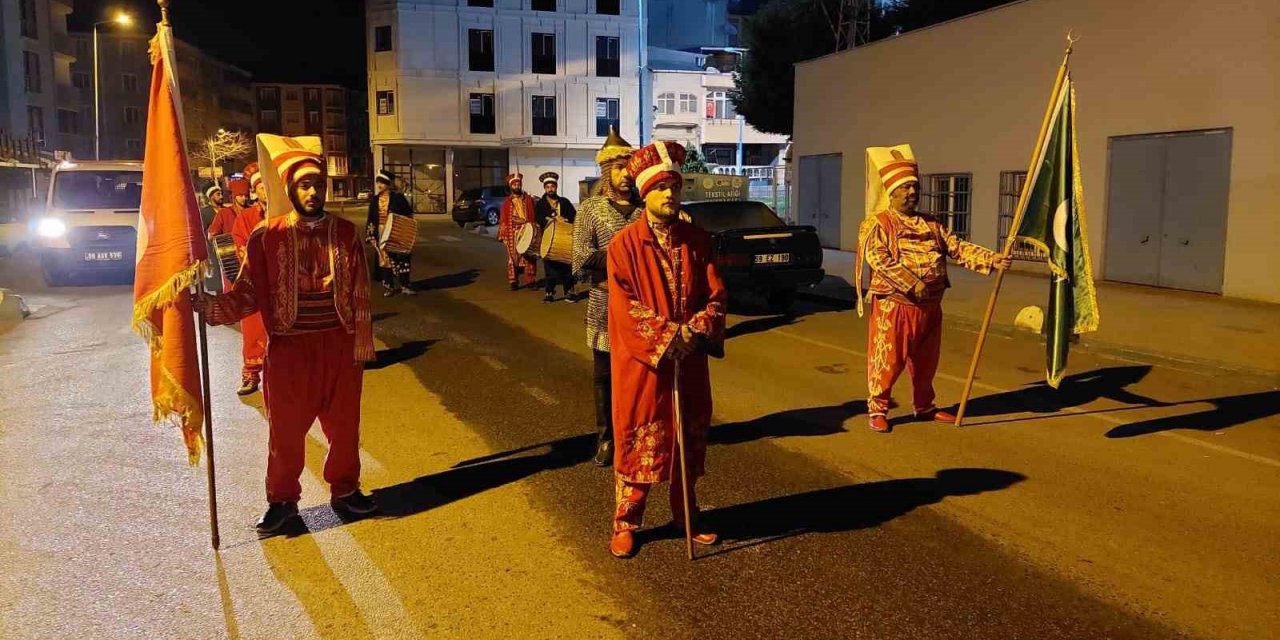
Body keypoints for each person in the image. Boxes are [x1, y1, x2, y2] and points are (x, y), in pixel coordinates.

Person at [193, 134, 378, 534]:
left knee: (345, 429)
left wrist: (362, 345)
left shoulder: (346, 233)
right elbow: (247, 292)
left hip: (339, 346)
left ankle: (345, 491)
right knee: (286, 432)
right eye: (305, 185)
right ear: (292, 189)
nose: (313, 192)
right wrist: (209, 306)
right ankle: (282, 501)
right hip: (290, 350)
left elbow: (361, 291)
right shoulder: (266, 235)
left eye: (319, 185)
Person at [606, 140, 727, 559]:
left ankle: (685, 513)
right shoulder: (623, 245)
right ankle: (626, 520)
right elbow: (624, 308)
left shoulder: (698, 240)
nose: (669, 195)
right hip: (645, 364)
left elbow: (715, 294)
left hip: (689, 360)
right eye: (660, 188)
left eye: (674, 187)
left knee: (686, 438)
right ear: (645, 194)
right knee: (640, 438)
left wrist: (697, 328)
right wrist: (667, 336)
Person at [856, 144, 1011, 433]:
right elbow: (879, 259)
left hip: (931, 306)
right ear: (892, 193)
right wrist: (912, 282)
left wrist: (993, 259)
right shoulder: (877, 224)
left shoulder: (932, 223)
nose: (912, 192)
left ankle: (924, 407)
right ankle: (878, 408)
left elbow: (957, 247)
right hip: (896, 306)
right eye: (905, 188)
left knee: (927, 362)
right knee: (887, 360)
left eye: (915, 187)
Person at [573, 128, 640, 467]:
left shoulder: (646, 211)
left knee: (639, 378)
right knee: (605, 377)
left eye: (629, 168)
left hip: (643, 307)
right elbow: (582, 257)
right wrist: (623, 255)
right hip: (605, 303)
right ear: (605, 171)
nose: (625, 175)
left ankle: (636, 435)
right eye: (618, 168)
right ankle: (606, 439)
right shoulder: (591, 210)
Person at [229, 162, 269, 396]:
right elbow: (240, 246)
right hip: (254, 284)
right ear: (255, 191)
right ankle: (251, 373)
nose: (266, 191)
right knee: (253, 330)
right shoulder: (246, 217)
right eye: (261, 187)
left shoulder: (286, 214)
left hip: (282, 284)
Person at [366, 169, 415, 296]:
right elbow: (371, 218)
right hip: (381, 232)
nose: (379, 185)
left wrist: (404, 229)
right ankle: (389, 286)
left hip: (396, 231)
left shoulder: (398, 198)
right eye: (378, 183)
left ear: (388, 184)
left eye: (381, 183)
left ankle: (404, 285)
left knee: (401, 258)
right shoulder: (375, 200)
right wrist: (371, 235)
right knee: (385, 261)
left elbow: (408, 215)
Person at [533, 171, 577, 303]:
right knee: (550, 268)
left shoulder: (564, 202)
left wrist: (565, 219)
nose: (550, 189)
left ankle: (568, 292)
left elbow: (574, 216)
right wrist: (549, 220)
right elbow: (538, 218)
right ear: (544, 188)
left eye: (552, 186)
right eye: (547, 187)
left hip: (564, 239)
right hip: (548, 240)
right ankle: (549, 293)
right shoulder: (541, 204)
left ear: (556, 187)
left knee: (566, 267)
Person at [498, 173, 538, 290]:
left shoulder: (529, 200)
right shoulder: (507, 202)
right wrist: (504, 236)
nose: (517, 186)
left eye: (518, 184)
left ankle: (530, 280)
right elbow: (503, 220)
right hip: (513, 233)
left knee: (529, 256)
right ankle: (513, 281)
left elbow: (534, 215)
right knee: (512, 257)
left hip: (527, 231)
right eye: (514, 184)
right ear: (511, 186)